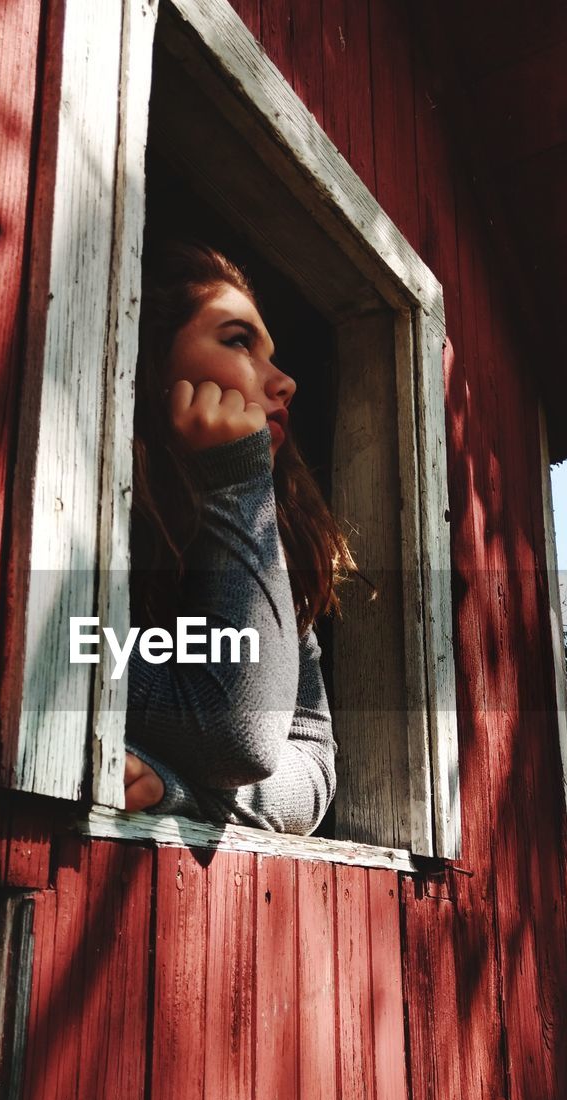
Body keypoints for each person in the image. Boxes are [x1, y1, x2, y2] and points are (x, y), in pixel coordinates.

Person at [122, 242, 354, 836]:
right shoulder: (86, 530)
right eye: (238, 341)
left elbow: (311, 775)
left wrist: (177, 790)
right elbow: (241, 736)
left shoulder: (272, 551)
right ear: (150, 357)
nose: (285, 382)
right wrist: (236, 482)